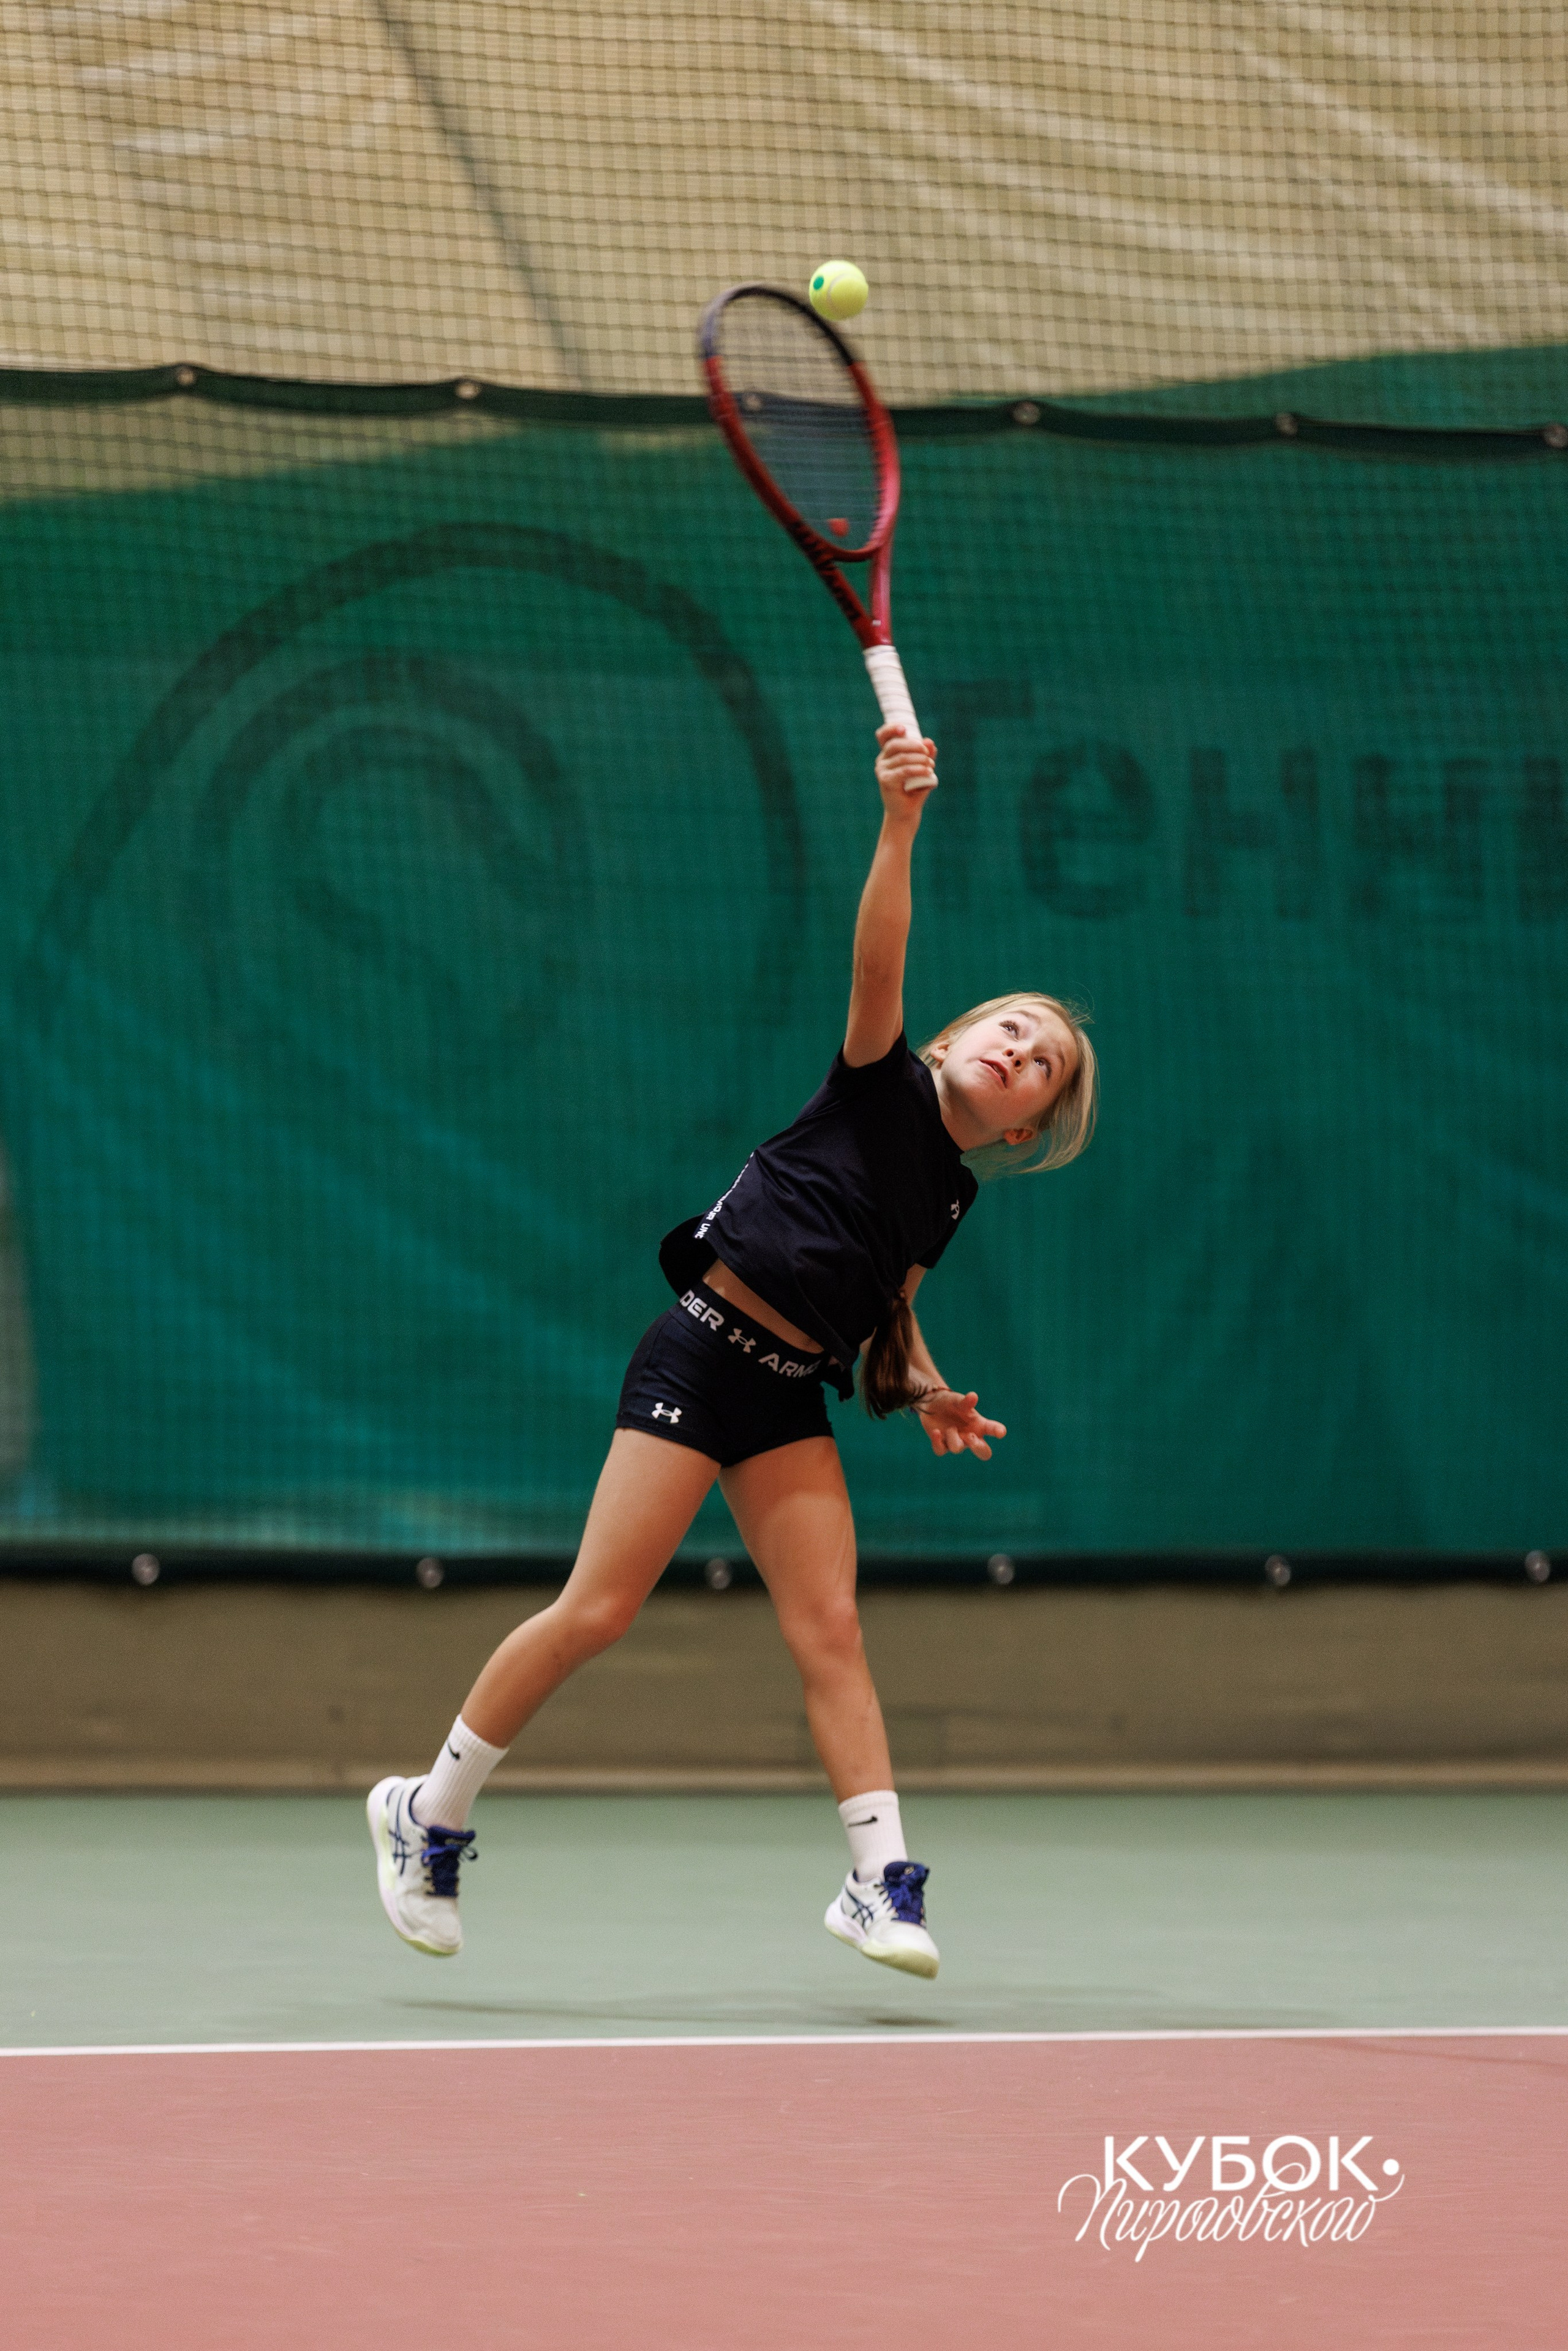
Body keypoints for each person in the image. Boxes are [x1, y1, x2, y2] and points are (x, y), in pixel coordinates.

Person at [368, 720, 1098, 1979]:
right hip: (699, 1351)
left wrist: (919, 1381)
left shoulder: (951, 1193)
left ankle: (878, 1880)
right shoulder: (879, 1078)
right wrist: (898, 820)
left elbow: (886, 1296)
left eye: (1037, 1061)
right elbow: (882, 948)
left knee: (830, 1628)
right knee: (597, 1609)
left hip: (785, 1397)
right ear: (957, 1032)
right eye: (1009, 1024)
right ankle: (423, 1811)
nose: (1015, 1048)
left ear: (1029, 1124)